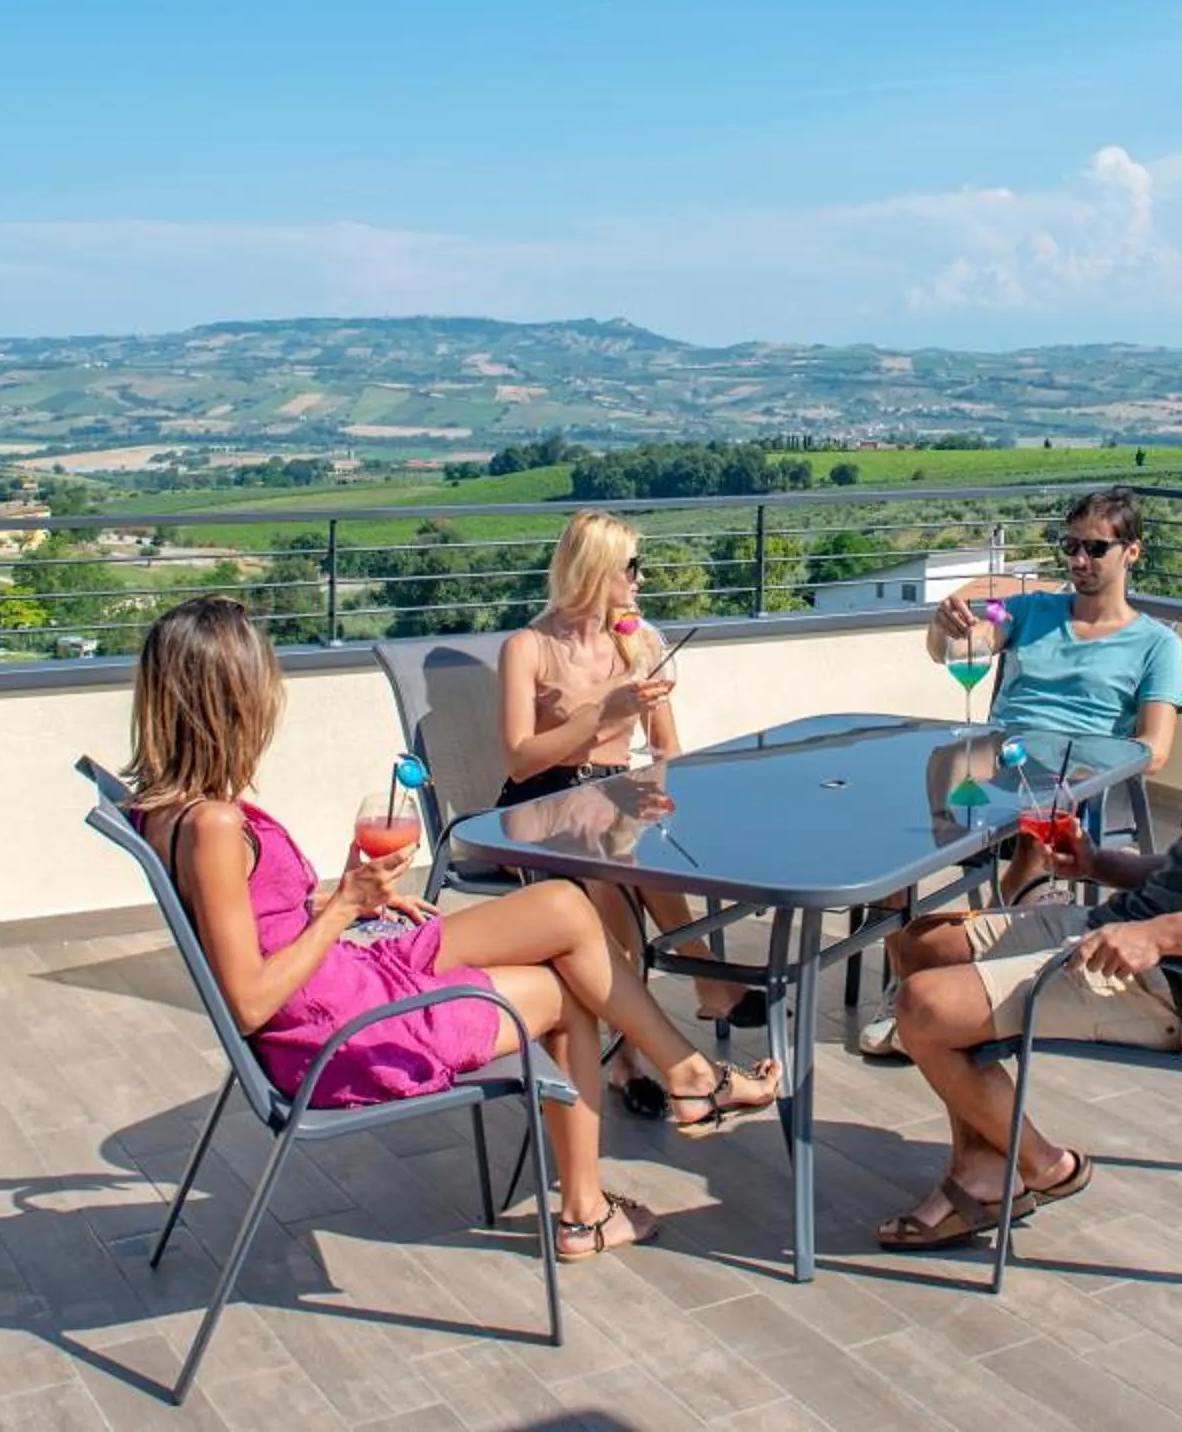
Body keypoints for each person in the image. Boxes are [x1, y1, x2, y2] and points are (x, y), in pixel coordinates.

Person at [124, 595, 778, 1262]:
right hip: (339, 1028)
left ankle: (691, 1077)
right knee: (570, 992)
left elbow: (254, 927)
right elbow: (250, 1001)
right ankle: (590, 1207)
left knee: (561, 906)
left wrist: (341, 904)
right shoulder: (214, 827)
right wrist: (346, 905)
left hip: (345, 977)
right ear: (230, 700)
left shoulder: (171, 810)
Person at [871, 546, 1182, 1251]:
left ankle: (1040, 1165)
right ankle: (985, 1163)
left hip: (1176, 984)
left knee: (923, 1008)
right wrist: (1101, 862)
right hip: (1123, 927)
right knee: (919, 945)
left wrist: (1159, 937)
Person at [854, 486, 1182, 1058]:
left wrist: (1084, 762)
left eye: (1095, 549)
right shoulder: (1032, 611)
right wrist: (947, 629)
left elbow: (1153, 749)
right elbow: (960, 650)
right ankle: (906, 983)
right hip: (997, 758)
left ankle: (965, 976)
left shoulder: (1157, 644)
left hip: (1071, 773)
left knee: (1046, 810)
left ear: (1133, 552)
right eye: (1071, 546)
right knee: (897, 819)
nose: (1079, 561)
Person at [498, 511, 759, 1119]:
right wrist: (599, 713)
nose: (641, 579)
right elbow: (517, 761)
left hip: (617, 797)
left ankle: (651, 1034)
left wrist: (670, 796)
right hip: (542, 806)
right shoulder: (527, 648)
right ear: (595, 573)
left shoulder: (638, 641)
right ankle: (675, 1015)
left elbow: (665, 748)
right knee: (613, 866)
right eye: (632, 568)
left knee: (635, 844)